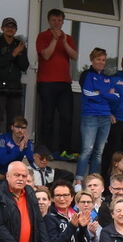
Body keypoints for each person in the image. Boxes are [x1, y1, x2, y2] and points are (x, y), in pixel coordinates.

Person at [35, 9, 78, 161]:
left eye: (59, 20)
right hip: (47, 82)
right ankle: (45, 150)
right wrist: (54, 39)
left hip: (64, 83)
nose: (57, 23)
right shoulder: (43, 36)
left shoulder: (68, 38)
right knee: (48, 117)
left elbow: (74, 56)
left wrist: (64, 41)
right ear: (49, 21)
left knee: (66, 117)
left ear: (63, 22)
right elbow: (46, 55)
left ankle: (64, 150)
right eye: (54, 20)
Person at [76, 47, 121, 185]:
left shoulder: (107, 78)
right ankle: (78, 181)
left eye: (103, 60)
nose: (101, 62)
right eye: (98, 59)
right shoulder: (88, 75)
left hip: (105, 118)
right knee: (87, 149)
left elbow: (117, 96)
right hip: (90, 116)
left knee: (98, 152)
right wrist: (106, 94)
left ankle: (94, 181)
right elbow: (88, 93)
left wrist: (101, 93)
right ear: (92, 59)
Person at [0, 17, 28, 132]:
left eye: (13, 27)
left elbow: (24, 66)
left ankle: (9, 147)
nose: (10, 29)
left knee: (14, 121)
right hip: (0, 87)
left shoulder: (19, 44)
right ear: (2, 28)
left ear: (16, 30)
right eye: (7, 26)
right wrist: (14, 53)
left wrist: (19, 54)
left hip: (15, 88)